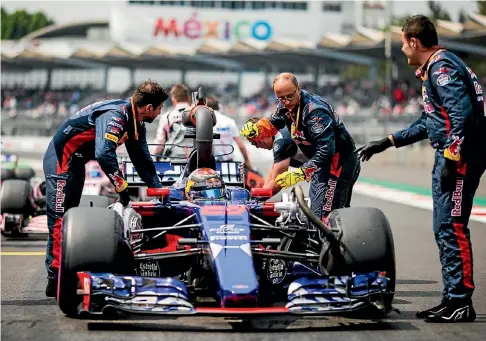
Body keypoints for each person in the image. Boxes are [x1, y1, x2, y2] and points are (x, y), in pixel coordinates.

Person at [356, 15, 486, 323]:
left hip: (460, 157)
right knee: (443, 228)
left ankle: (460, 303)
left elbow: (461, 116)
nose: (402, 48)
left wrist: (453, 159)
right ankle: (451, 298)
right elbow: (432, 122)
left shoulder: (442, 68)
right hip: (455, 154)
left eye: (403, 42)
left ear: (414, 41)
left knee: (451, 228)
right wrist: (388, 141)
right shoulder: (437, 68)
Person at [43, 80, 169, 297]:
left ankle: (61, 270)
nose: (159, 114)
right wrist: (122, 187)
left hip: (76, 162)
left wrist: (160, 192)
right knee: (60, 218)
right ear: (149, 107)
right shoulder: (117, 115)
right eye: (159, 109)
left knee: (69, 215)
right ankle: (56, 277)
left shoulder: (135, 122)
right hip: (61, 158)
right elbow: (104, 153)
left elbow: (143, 160)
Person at [240, 73, 360, 221]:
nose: (286, 102)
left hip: (339, 162)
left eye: (289, 96)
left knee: (326, 217)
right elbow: (276, 121)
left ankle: (338, 241)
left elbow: (326, 150)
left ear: (298, 88)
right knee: (316, 214)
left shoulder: (315, 113)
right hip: (321, 165)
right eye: (281, 98)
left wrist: (301, 173)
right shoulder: (285, 103)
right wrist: (258, 128)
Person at [244, 117, 309, 196]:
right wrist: (260, 192)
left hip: (325, 166)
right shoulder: (278, 135)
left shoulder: (281, 142)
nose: (257, 147)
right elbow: (272, 172)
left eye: (254, 143)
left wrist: (258, 200)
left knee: (317, 205)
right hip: (320, 166)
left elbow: (277, 181)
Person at [205, 95, 253, 169]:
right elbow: (241, 145)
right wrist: (247, 161)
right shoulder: (230, 121)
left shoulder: (203, 122)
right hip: (228, 164)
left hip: (210, 165)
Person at [152, 83, 192, 158]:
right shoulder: (198, 114)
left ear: (173, 99)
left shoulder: (167, 117)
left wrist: (156, 155)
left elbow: (160, 144)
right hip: (195, 158)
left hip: (173, 159)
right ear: (188, 97)